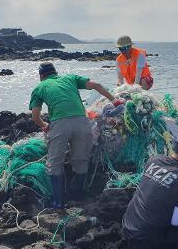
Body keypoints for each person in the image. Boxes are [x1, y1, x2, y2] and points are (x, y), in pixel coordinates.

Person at [30, 62, 124, 209]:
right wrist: (114, 100)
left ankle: (59, 202)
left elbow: (35, 117)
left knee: (55, 164)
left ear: (41, 76)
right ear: (56, 72)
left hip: (59, 125)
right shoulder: (70, 78)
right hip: (82, 124)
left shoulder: (40, 88)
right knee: (80, 160)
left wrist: (44, 126)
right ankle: (78, 195)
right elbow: (97, 85)